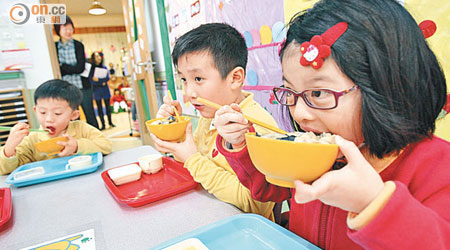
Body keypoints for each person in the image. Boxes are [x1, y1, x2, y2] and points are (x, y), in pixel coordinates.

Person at [213, 0, 450, 249]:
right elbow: (273, 188)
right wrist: (238, 142)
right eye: (290, 91)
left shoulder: (437, 167)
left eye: (318, 93)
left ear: (386, 87)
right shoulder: (311, 147)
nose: (300, 113)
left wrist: (372, 204)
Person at [151, 23, 278, 220]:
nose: (189, 93)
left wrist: (192, 159)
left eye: (198, 78)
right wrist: (175, 132)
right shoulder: (209, 113)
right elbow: (197, 167)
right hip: (206, 213)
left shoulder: (256, 125)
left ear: (235, 78)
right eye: (184, 80)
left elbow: (254, 206)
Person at [0, 79, 112, 175]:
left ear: (74, 115)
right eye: (43, 112)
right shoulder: (31, 139)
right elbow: (8, 170)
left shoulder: (81, 128)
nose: (49, 119)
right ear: (35, 110)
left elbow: (106, 145)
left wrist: (77, 146)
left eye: (57, 113)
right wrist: (9, 148)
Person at [54, 16, 99, 129]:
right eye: (65, 28)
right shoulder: (54, 47)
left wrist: (64, 67)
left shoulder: (78, 45)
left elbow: (80, 68)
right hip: (66, 89)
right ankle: (77, 143)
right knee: (73, 118)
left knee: (90, 115)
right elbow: (57, 69)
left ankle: (98, 141)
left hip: (83, 87)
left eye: (71, 28)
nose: (69, 31)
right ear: (58, 30)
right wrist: (67, 68)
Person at [90, 51, 115, 130]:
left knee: (108, 107)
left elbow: (107, 78)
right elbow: (92, 81)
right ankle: (103, 125)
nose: (99, 58)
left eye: (99, 56)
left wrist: (98, 80)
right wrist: (101, 82)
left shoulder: (104, 67)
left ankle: (110, 122)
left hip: (105, 90)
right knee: (99, 108)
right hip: (97, 91)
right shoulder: (91, 69)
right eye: (97, 56)